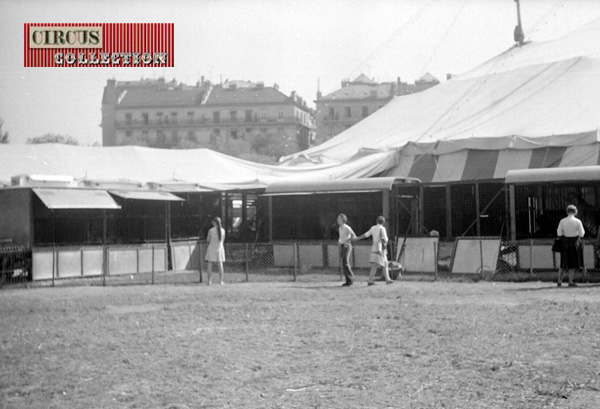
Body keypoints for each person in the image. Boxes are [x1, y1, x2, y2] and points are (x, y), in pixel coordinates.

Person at [353, 215, 393, 286]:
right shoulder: (382, 228)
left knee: (383, 263)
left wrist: (357, 238)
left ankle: (387, 279)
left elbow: (366, 235)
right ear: (383, 222)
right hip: (380, 248)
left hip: (375, 247)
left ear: (377, 221)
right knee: (377, 264)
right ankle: (371, 280)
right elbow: (386, 239)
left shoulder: (373, 228)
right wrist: (386, 241)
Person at [556, 204, 585, 287]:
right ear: (575, 212)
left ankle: (559, 280)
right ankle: (570, 281)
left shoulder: (562, 221)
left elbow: (559, 233)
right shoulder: (578, 221)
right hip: (574, 242)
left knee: (563, 262)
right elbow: (582, 234)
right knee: (572, 263)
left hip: (565, 242)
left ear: (567, 211)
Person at [337, 214, 357, 287]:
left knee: (345, 262)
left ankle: (351, 277)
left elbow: (353, 235)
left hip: (347, 246)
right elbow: (341, 237)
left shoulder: (346, 227)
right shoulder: (340, 228)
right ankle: (348, 280)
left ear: (343, 220)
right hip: (342, 245)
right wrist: (339, 242)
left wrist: (347, 241)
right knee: (344, 263)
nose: (337, 220)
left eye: (339, 218)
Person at [205, 217, 226, 285]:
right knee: (220, 264)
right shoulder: (223, 230)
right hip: (220, 248)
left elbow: (208, 240)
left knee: (210, 264)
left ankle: (209, 281)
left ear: (215, 223)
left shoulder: (211, 230)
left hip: (211, 248)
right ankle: (221, 281)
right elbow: (223, 240)